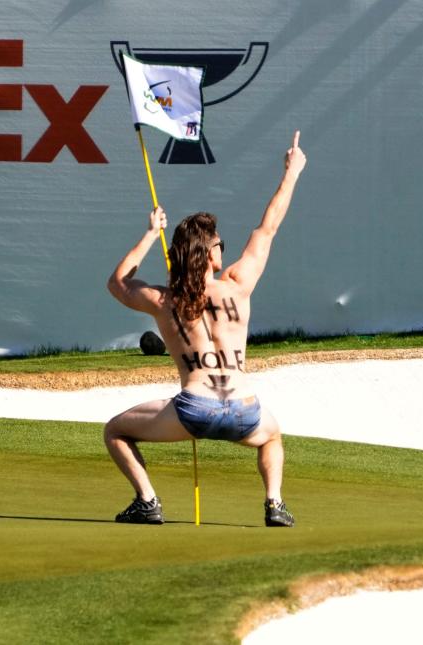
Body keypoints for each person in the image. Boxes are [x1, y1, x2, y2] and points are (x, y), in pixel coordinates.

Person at [105, 131, 307, 527]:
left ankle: (147, 501)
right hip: (244, 407)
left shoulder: (165, 300)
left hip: (194, 408)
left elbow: (118, 284)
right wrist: (292, 173)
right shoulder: (238, 285)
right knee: (272, 436)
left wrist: (150, 234)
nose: (223, 250)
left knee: (115, 431)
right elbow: (268, 229)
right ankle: (274, 504)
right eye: (219, 244)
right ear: (209, 253)